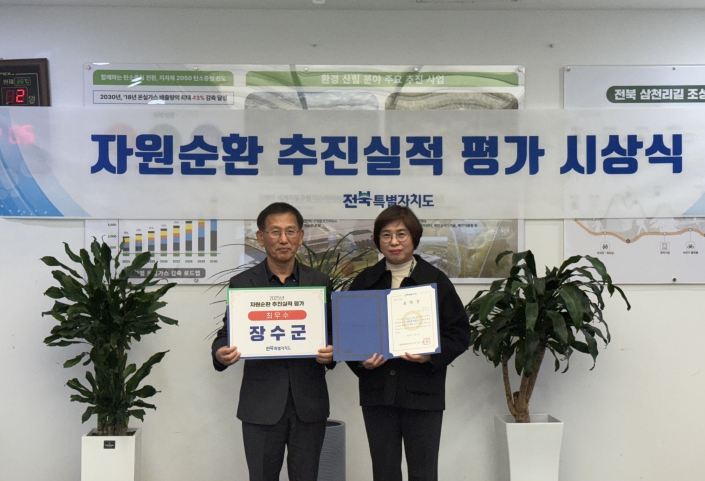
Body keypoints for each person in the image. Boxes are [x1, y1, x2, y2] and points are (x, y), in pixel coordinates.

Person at [211, 202, 334, 481]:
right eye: (275, 232)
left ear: (300, 236)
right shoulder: (243, 284)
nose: (283, 239)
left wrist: (333, 352)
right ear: (261, 237)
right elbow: (227, 334)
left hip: (308, 404)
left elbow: (332, 334)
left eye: (290, 231)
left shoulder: (319, 282)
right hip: (261, 405)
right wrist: (220, 353)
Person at [347, 205, 470, 481]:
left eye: (401, 234)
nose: (394, 241)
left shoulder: (435, 280)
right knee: (384, 472)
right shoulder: (364, 281)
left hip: (423, 394)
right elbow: (350, 336)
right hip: (378, 393)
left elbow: (460, 333)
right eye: (386, 235)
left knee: (423, 472)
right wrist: (361, 362)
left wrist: (430, 355)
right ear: (378, 240)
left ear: (414, 237)